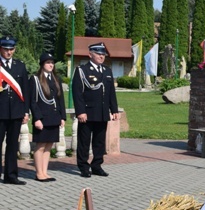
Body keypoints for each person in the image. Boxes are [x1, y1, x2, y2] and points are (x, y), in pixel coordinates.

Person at [71, 42, 120, 178]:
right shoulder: (82, 70)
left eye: (103, 54)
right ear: (90, 54)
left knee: (99, 141)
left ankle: (97, 165)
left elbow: (111, 93)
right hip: (87, 112)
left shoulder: (107, 71)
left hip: (102, 112)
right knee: (84, 141)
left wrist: (114, 109)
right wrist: (80, 111)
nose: (101, 56)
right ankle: (83, 166)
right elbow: (77, 93)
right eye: (98, 54)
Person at [29, 52, 66, 182]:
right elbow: (32, 101)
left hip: (54, 116)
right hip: (43, 118)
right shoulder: (35, 79)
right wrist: (37, 118)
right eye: (48, 63)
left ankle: (45, 172)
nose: (51, 65)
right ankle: (39, 173)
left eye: (52, 63)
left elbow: (60, 99)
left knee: (49, 145)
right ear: (42, 64)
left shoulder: (56, 79)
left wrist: (63, 117)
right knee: (40, 145)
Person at [0, 35, 30, 185]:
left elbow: (25, 90)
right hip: (0, 112)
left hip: (16, 112)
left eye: (11, 49)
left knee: (13, 145)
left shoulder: (20, 65)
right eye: (6, 49)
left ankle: (11, 176)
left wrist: (26, 112)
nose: (8, 52)